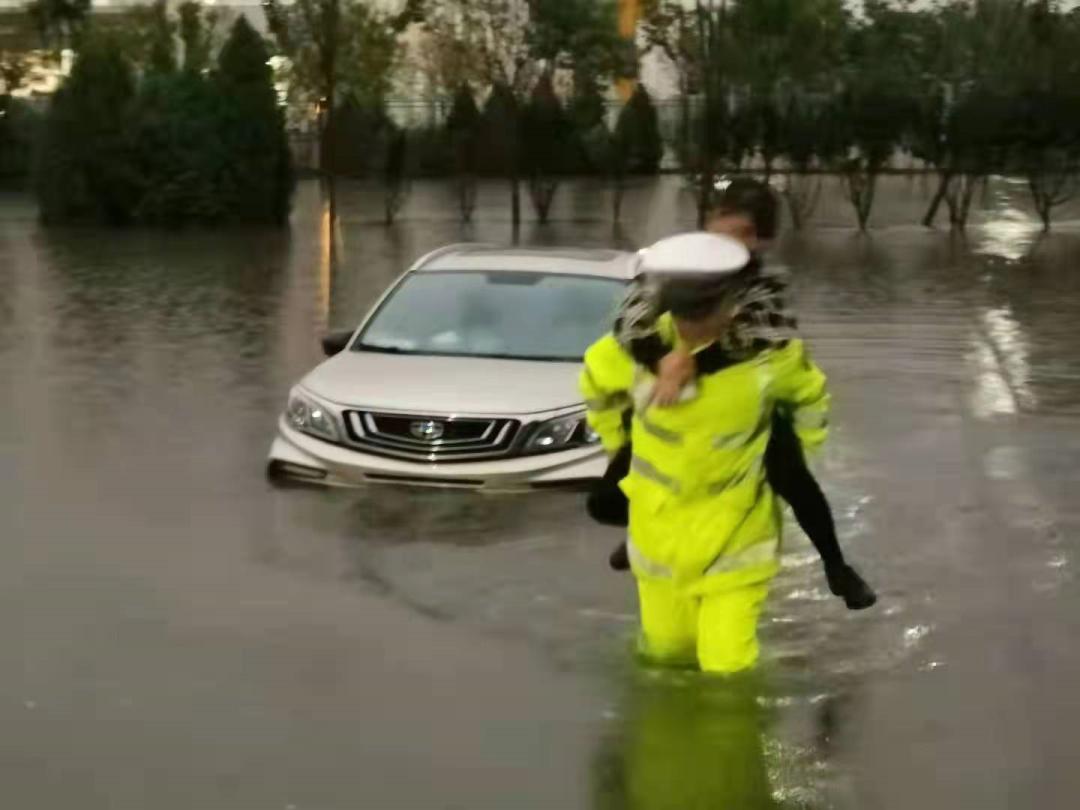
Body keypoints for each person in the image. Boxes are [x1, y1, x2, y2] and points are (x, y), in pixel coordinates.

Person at [591, 179, 876, 611]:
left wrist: (694, 363)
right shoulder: (673, 264)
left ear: (761, 240)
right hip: (671, 401)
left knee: (795, 481)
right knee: (607, 498)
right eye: (717, 227)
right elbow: (629, 318)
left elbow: (767, 333)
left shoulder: (766, 283)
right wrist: (662, 361)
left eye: (738, 233)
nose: (722, 242)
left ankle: (837, 568)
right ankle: (642, 537)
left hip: (747, 402)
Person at [580, 232, 831, 673]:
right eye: (685, 313)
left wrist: (797, 461)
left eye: (706, 311)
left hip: (737, 534)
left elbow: (811, 400)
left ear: (733, 303)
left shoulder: (770, 358)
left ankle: (740, 741)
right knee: (663, 655)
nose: (694, 325)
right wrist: (621, 454)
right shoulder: (629, 353)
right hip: (658, 536)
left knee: (726, 666)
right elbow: (597, 394)